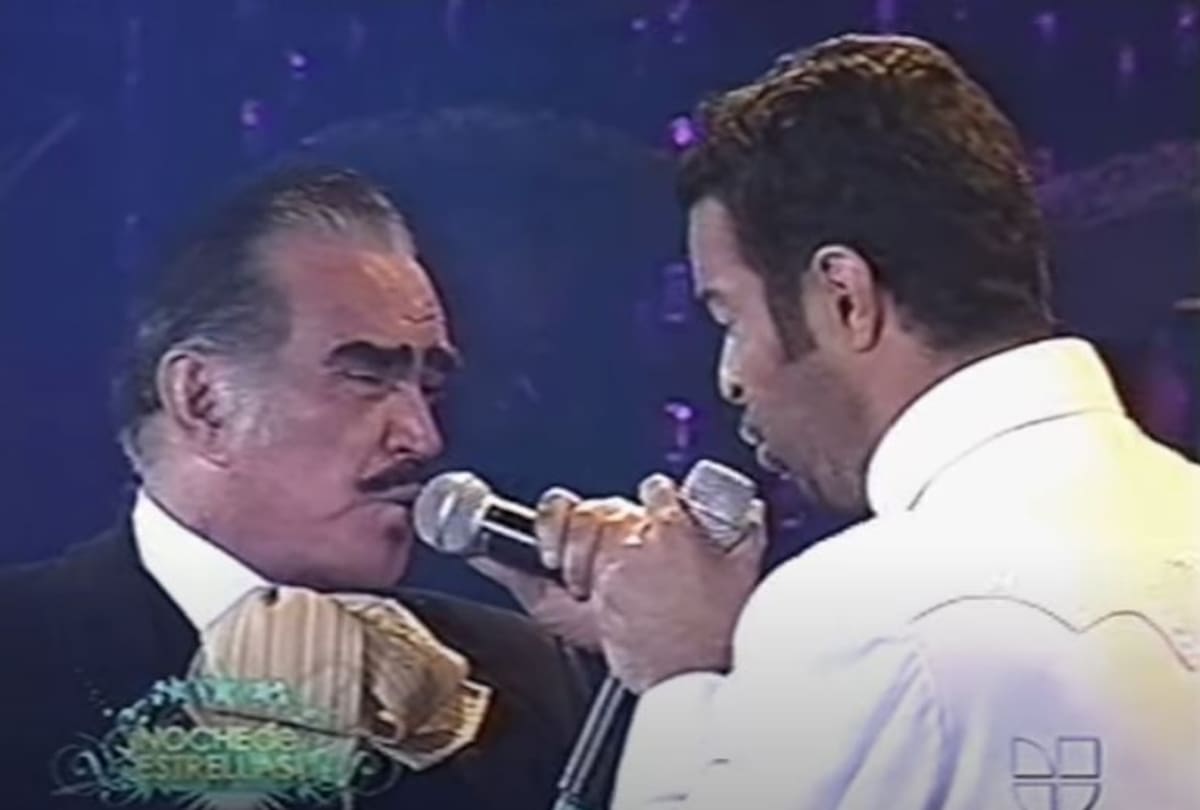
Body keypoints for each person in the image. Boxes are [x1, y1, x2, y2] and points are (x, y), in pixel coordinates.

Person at [480, 34, 1200, 808]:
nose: (729, 377)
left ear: (844, 297)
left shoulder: (854, 611)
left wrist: (680, 678)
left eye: (731, 319)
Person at [0, 167, 586, 809]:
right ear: (203, 401)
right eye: (365, 377)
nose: (422, 437)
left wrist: (647, 663)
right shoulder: (21, 652)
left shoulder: (522, 671)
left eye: (430, 387)